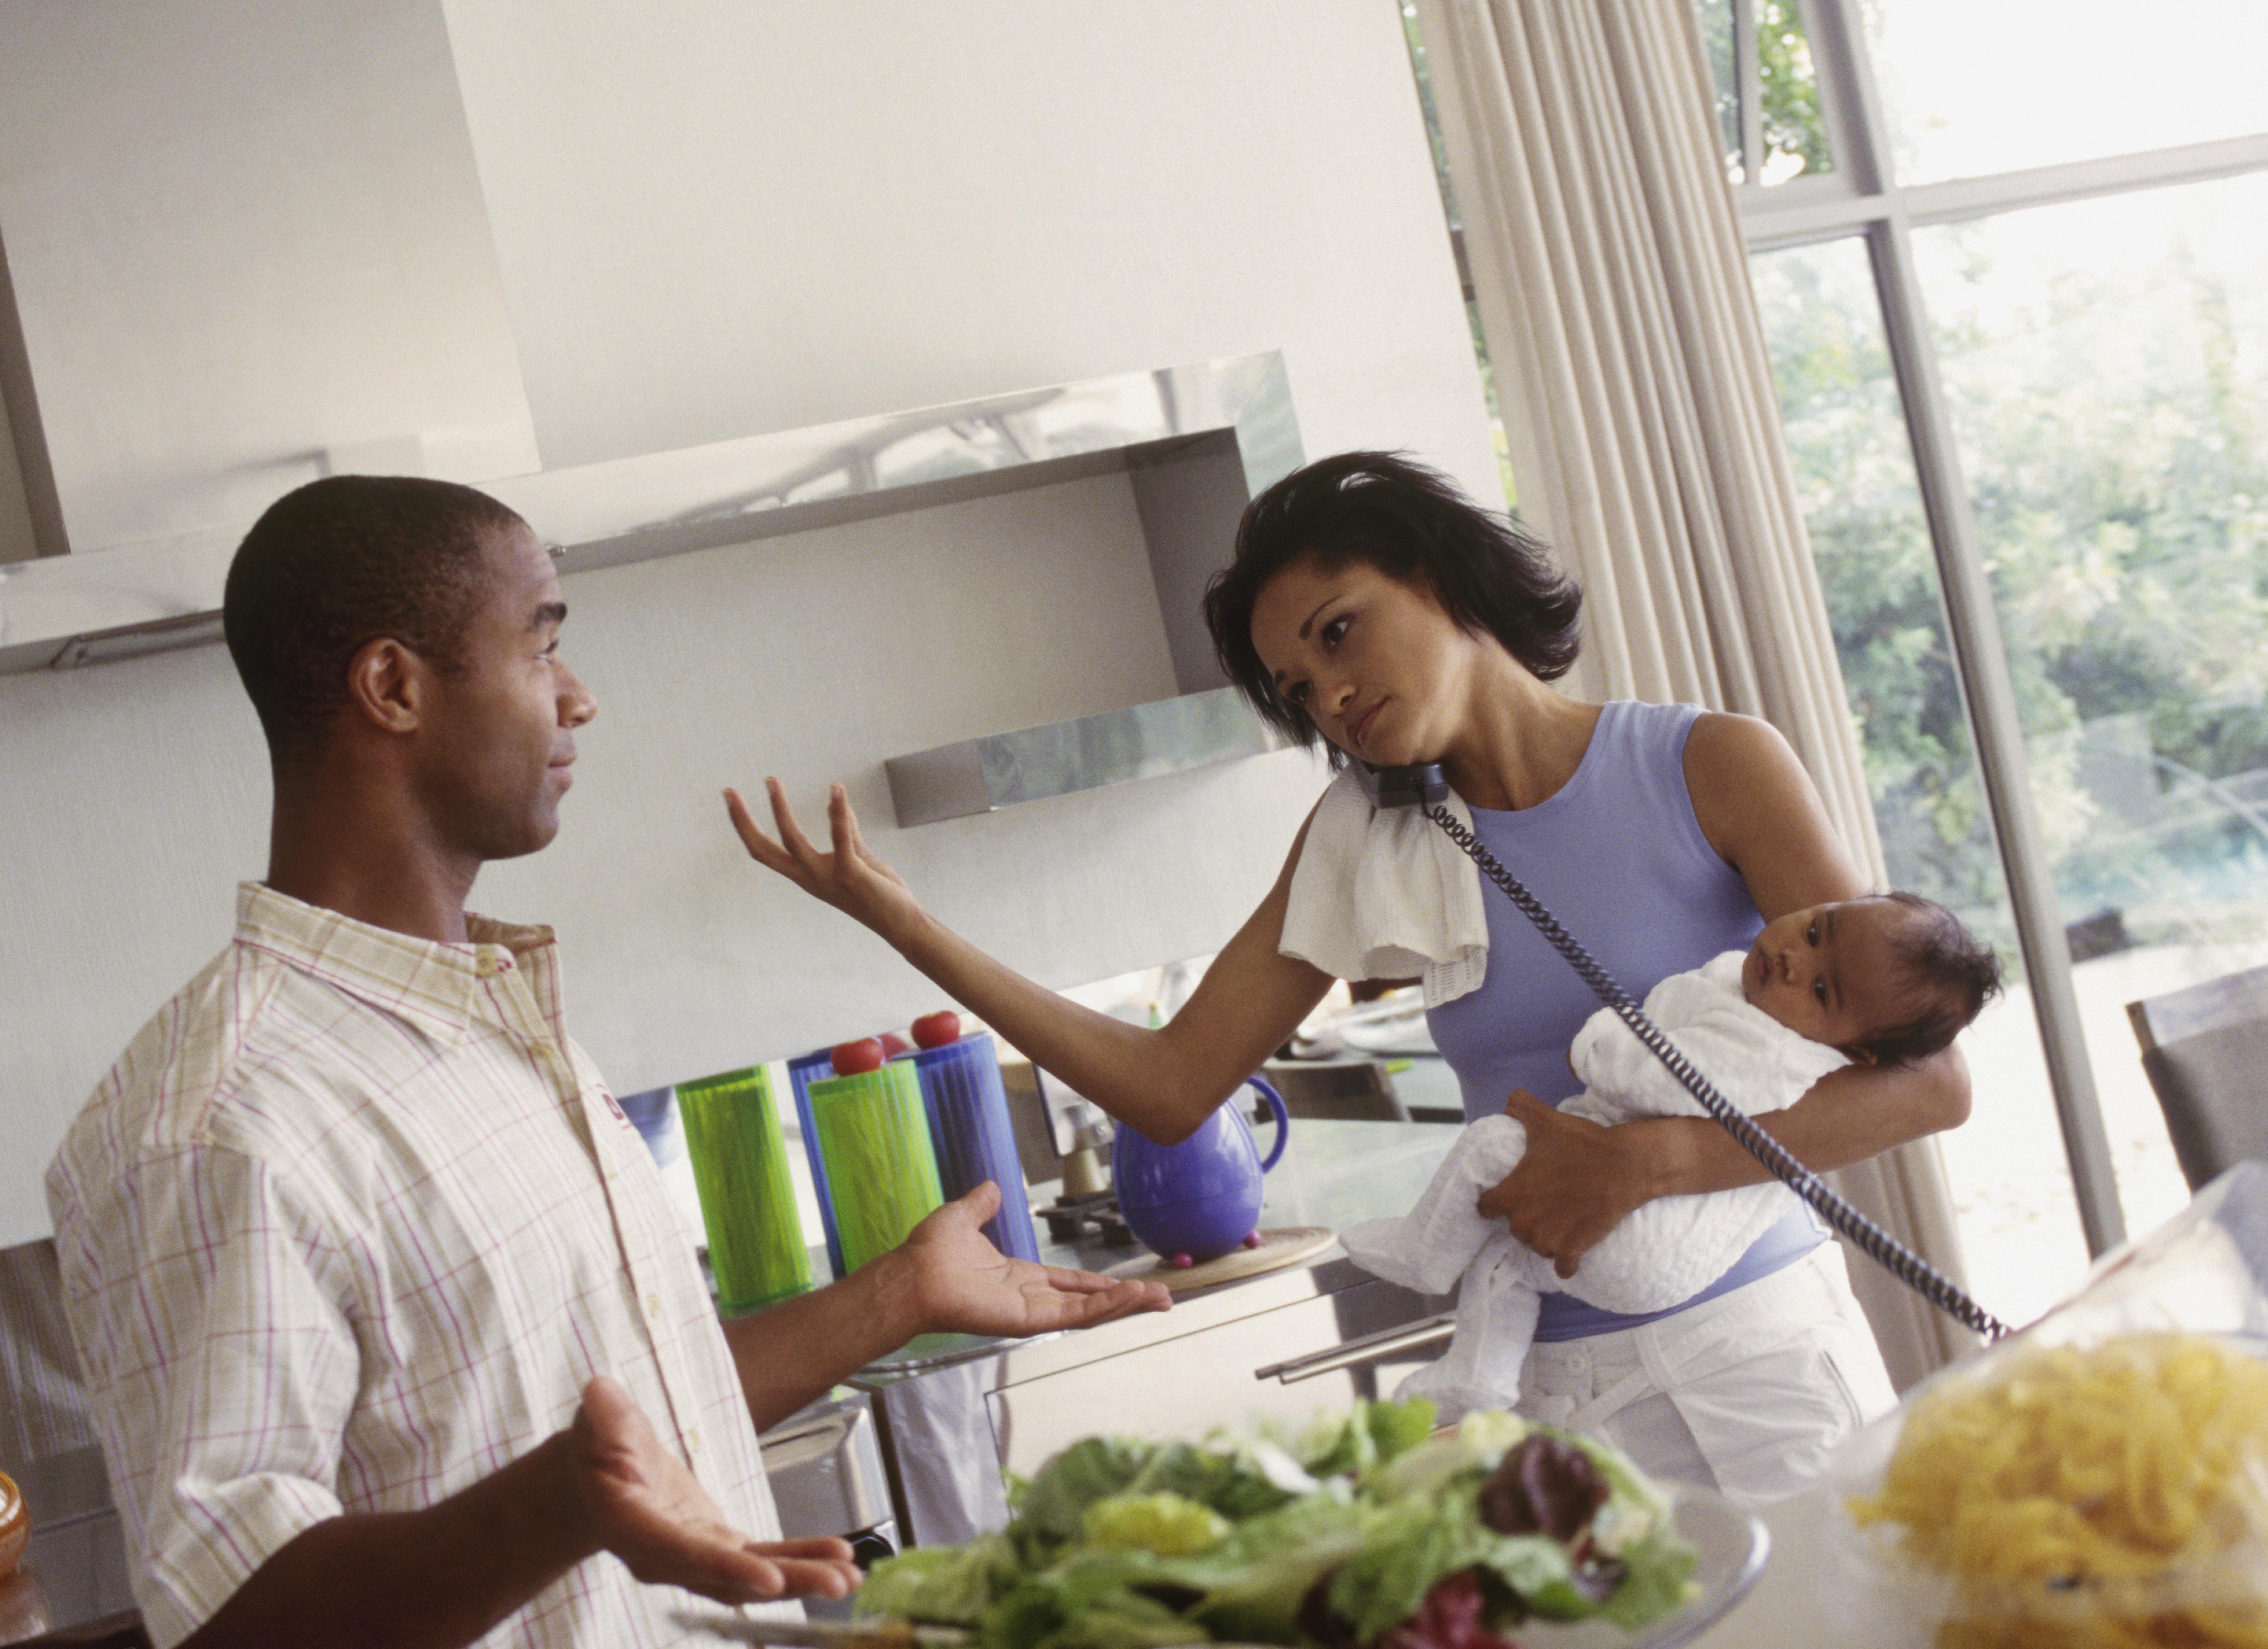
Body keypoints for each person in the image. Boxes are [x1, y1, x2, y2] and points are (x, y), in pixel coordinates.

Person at [47, 476, 1171, 1649]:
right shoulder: (223, 1121)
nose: (580, 697)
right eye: (542, 646)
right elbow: (236, 1622)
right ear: (394, 686)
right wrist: (554, 1504)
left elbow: (625, 1421)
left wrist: (898, 1295)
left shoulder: (488, 1020)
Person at [727, 450, 1975, 1504]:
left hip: (1749, 1342)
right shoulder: (1365, 841)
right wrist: (903, 922)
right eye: (1297, 688)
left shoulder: (1707, 761)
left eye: (1337, 634)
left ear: (1432, 577)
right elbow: (1167, 1085)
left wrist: (1652, 1160)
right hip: (1551, 1392)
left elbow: (1924, 1087)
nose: (1329, 694)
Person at [1348, 893, 2001, 1421]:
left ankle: (1423, 1254)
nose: (1795, 958)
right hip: (1644, 1262)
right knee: (1508, 1260)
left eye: (1824, 990)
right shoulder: (1758, 1001)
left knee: (1493, 1145)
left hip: (1651, 1238)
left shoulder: (1772, 1053)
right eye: (1816, 930)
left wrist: (1601, 1042)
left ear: (1858, 1053)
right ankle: (1479, 1376)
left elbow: (1649, 1078)